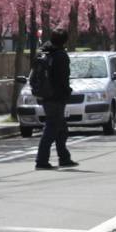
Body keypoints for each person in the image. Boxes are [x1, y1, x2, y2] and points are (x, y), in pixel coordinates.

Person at [36, 27, 79, 170]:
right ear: (64, 41)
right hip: (56, 97)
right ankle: (41, 160)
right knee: (52, 128)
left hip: (45, 94)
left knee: (61, 129)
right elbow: (63, 78)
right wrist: (67, 91)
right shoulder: (60, 56)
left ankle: (64, 158)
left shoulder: (45, 52)